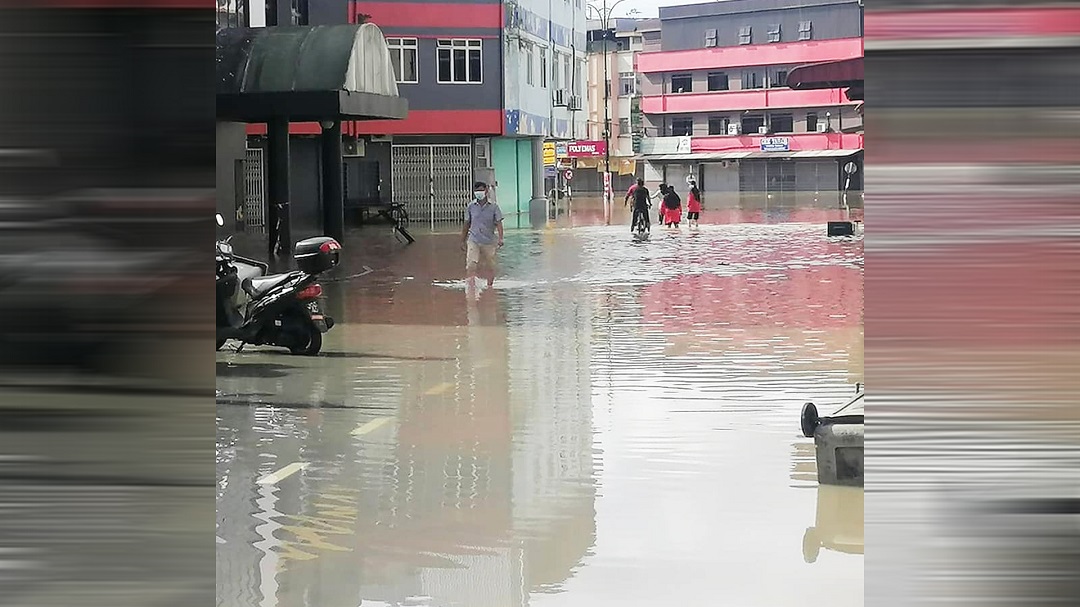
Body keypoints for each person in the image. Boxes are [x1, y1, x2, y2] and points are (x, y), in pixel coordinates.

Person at [461, 181, 504, 289]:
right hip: (473, 239)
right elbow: (467, 223)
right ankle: (471, 287)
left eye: (480, 190)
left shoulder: (494, 206)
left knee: (490, 265)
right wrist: (462, 240)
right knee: (471, 264)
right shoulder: (471, 206)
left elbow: (499, 223)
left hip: (489, 241)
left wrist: (500, 238)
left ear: (486, 191)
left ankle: (490, 287)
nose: (478, 193)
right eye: (476, 191)